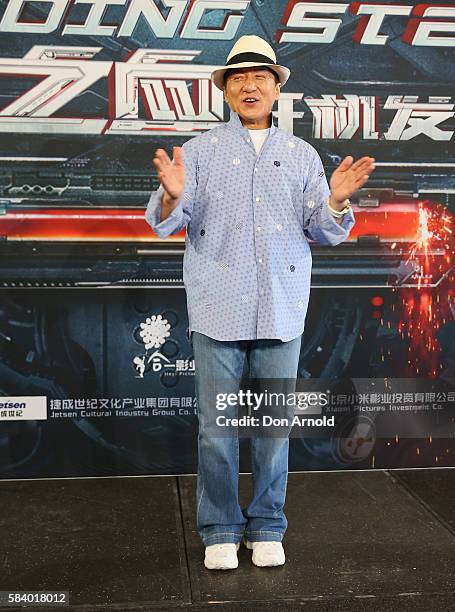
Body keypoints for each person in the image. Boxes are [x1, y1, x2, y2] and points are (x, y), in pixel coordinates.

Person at [145, 35, 375, 570]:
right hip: (216, 304)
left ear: (276, 88)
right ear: (226, 90)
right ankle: (220, 527)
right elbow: (169, 222)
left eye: (261, 78)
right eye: (239, 79)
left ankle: (268, 524)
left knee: (273, 426)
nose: (251, 86)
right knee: (216, 427)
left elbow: (323, 229)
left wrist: (336, 200)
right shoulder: (198, 152)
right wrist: (175, 194)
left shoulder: (301, 156)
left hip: (281, 306)